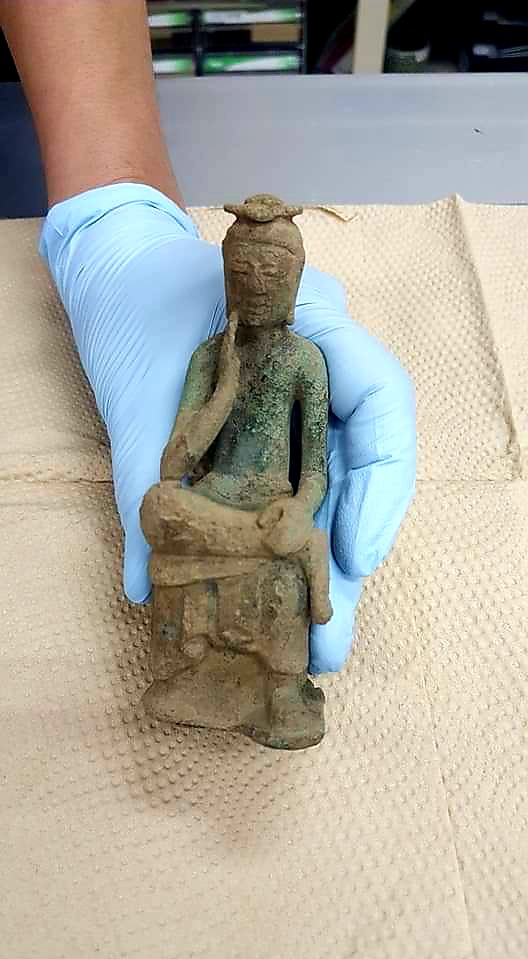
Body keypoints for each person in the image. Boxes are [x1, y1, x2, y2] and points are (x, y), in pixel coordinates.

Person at [0, 0, 416, 674]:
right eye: (241, 273)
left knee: (288, 546)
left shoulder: (304, 361)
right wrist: (220, 394)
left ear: (295, 278)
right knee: (161, 508)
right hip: (215, 500)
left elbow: (313, 464)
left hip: (271, 505)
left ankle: (271, 661)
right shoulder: (208, 354)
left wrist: (300, 507)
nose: (256, 286)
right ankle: (205, 641)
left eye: (271, 273)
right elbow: (174, 464)